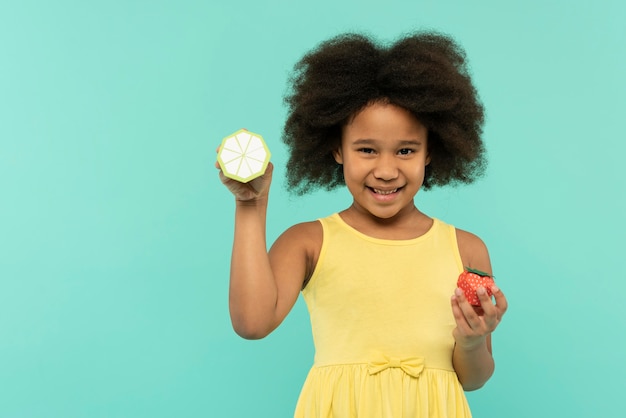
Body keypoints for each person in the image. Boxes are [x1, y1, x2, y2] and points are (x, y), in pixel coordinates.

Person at [216, 31, 508, 418]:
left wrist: (473, 341)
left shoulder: (467, 249)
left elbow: (473, 379)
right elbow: (252, 323)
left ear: (430, 151)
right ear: (337, 148)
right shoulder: (309, 242)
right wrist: (250, 206)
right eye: (367, 149)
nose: (386, 171)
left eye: (406, 150)